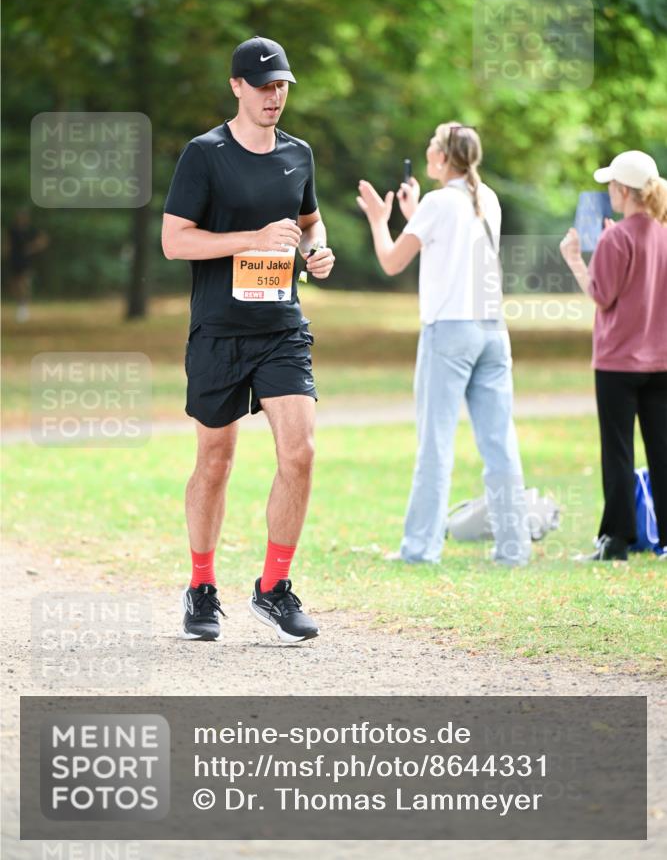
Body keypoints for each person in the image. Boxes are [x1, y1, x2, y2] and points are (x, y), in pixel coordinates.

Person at [162, 35, 335, 641]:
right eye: (263, 86)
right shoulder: (204, 154)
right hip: (218, 330)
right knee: (215, 462)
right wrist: (251, 239)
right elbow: (175, 241)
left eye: (282, 85)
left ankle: (273, 587)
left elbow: (310, 226)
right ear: (236, 86)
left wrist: (316, 255)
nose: (274, 96)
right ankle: (202, 588)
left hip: (281, 328)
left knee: (301, 452)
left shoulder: (299, 155)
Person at [357, 122, 530, 567]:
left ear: (442, 158)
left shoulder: (437, 203)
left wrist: (381, 220)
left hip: (449, 330)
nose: (428, 151)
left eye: (432, 146)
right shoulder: (485, 198)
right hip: (493, 329)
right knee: (499, 441)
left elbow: (392, 261)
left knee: (435, 441)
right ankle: (513, 548)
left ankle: (419, 549)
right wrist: (415, 212)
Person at [560, 150, 667, 561]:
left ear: (623, 190)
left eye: (611, 186)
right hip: (660, 361)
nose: (609, 192)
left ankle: (616, 541)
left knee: (619, 450)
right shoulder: (661, 232)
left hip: (619, 363)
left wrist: (574, 259)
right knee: (661, 449)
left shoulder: (615, 237)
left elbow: (602, 296)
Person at [5, 208, 49, 322]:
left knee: (24, 282)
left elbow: (43, 240)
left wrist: (32, 248)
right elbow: (7, 244)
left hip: (25, 260)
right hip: (14, 259)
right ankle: (20, 304)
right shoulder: (12, 230)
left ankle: (23, 307)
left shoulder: (31, 230)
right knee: (14, 284)